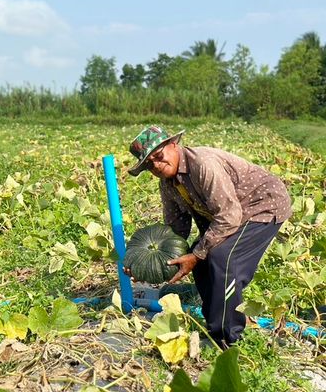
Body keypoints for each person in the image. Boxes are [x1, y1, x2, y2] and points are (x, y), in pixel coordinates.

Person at [124, 125, 292, 347]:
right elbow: (176, 231)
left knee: (223, 259)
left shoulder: (202, 164)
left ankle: (229, 338)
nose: (156, 165)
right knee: (202, 263)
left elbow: (230, 216)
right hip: (229, 215)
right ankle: (215, 321)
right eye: (149, 164)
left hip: (261, 206)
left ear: (173, 145)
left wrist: (196, 255)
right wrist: (146, 263)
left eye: (158, 156)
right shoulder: (168, 184)